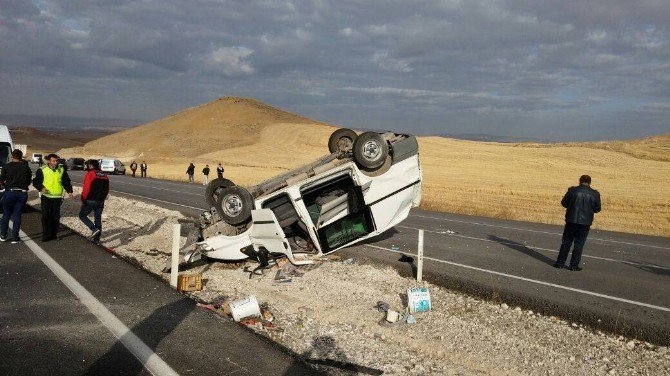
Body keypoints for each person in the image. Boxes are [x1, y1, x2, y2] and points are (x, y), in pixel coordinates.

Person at [554, 175, 602, 271]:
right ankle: (573, 265)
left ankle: (560, 263)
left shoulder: (572, 190)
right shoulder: (595, 194)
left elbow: (564, 203)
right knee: (579, 244)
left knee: (566, 242)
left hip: (571, 220)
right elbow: (597, 209)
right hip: (585, 223)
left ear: (579, 181)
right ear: (590, 182)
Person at [33, 153, 74, 242]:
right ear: (49, 161)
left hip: (57, 197)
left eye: (56, 161)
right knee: (45, 216)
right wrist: (41, 188)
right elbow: (36, 182)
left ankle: (53, 234)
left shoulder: (61, 170)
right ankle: (46, 235)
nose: (55, 162)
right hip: (46, 196)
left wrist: (69, 191)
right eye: (53, 161)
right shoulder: (42, 170)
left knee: (55, 216)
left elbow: (66, 181)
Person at [0, 149, 33, 243]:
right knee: (17, 215)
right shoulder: (26, 167)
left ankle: (3, 235)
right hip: (22, 194)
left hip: (9, 193)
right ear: (21, 156)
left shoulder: (6, 166)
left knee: (6, 214)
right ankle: (15, 238)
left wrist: (6, 186)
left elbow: (1, 181)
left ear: (12, 156)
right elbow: (28, 181)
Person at [79, 160, 109, 244]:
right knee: (98, 219)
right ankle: (97, 240)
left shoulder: (90, 174)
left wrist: (83, 198)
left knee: (82, 215)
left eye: (88, 165)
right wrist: (103, 198)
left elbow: (86, 188)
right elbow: (107, 189)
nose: (87, 167)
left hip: (91, 200)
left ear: (91, 166)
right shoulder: (105, 175)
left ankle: (94, 229)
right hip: (101, 201)